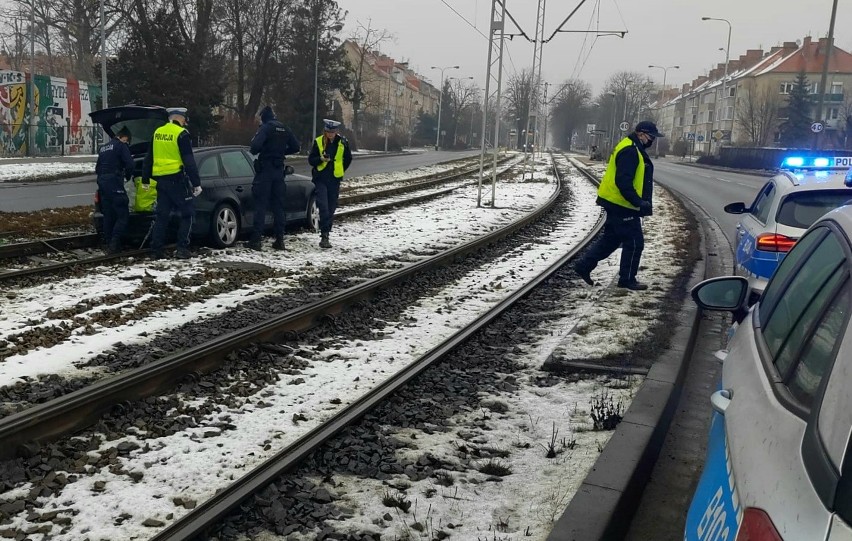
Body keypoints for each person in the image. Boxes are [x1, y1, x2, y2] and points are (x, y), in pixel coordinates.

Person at [574, 120, 663, 291]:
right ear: (641, 134)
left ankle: (584, 265)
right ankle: (627, 279)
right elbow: (623, 181)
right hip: (622, 204)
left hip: (617, 202)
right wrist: (638, 202)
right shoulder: (630, 150)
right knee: (635, 242)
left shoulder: (632, 146)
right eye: (651, 137)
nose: (652, 141)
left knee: (612, 239)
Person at [141, 107, 202, 260]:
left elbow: (149, 158)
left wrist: (145, 179)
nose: (185, 122)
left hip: (161, 182)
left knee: (162, 216)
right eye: (184, 119)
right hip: (177, 180)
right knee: (187, 214)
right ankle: (182, 248)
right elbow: (189, 161)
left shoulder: (158, 133)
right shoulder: (181, 134)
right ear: (180, 118)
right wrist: (196, 183)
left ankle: (156, 251)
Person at [247, 105, 300, 251]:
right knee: (278, 206)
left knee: (261, 205)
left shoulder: (265, 128)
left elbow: (254, 147)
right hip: (279, 171)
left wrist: (265, 149)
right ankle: (280, 239)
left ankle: (256, 240)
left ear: (263, 117)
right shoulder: (284, 128)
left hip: (265, 171)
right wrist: (282, 151)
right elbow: (296, 147)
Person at [308, 119, 352, 249]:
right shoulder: (318, 141)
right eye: (328, 132)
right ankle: (324, 235)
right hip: (321, 178)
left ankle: (326, 232)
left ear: (336, 131)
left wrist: (341, 169)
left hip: (334, 179)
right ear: (325, 131)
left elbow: (348, 158)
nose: (330, 134)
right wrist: (320, 159)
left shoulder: (343, 142)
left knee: (331, 207)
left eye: (332, 132)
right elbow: (311, 160)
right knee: (323, 206)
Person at [95, 126, 135, 253]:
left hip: (102, 183)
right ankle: (115, 243)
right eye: (127, 141)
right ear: (125, 138)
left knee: (108, 215)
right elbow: (130, 164)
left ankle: (108, 243)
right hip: (114, 182)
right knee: (122, 213)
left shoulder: (103, 148)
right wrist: (128, 177)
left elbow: (97, 168)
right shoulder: (121, 146)